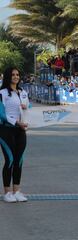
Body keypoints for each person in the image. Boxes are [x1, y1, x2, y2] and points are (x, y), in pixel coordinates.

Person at [0, 67, 29, 203]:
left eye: (18, 74)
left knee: (19, 160)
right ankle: (7, 193)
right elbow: (1, 114)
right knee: (10, 160)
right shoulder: (2, 93)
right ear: (8, 76)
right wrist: (16, 122)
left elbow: (28, 110)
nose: (16, 77)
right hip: (6, 130)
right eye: (13, 75)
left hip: (20, 130)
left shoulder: (23, 92)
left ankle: (17, 191)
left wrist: (26, 109)